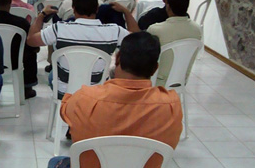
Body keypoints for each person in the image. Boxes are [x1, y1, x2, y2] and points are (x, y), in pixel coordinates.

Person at [48, 32, 183, 168]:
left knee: (55, 162)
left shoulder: (85, 98)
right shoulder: (172, 105)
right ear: (154, 69)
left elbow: (64, 111)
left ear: (118, 59)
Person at [27, 0, 138, 99]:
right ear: (97, 9)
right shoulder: (114, 31)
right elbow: (137, 37)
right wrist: (126, 11)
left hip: (65, 94)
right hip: (96, 95)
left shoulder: (59, 29)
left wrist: (42, 14)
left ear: (73, 9)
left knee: (52, 75)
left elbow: (31, 40)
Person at [148, 0, 202, 87]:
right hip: (181, 80)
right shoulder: (197, 30)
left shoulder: (156, 29)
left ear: (168, 6)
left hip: (158, 81)